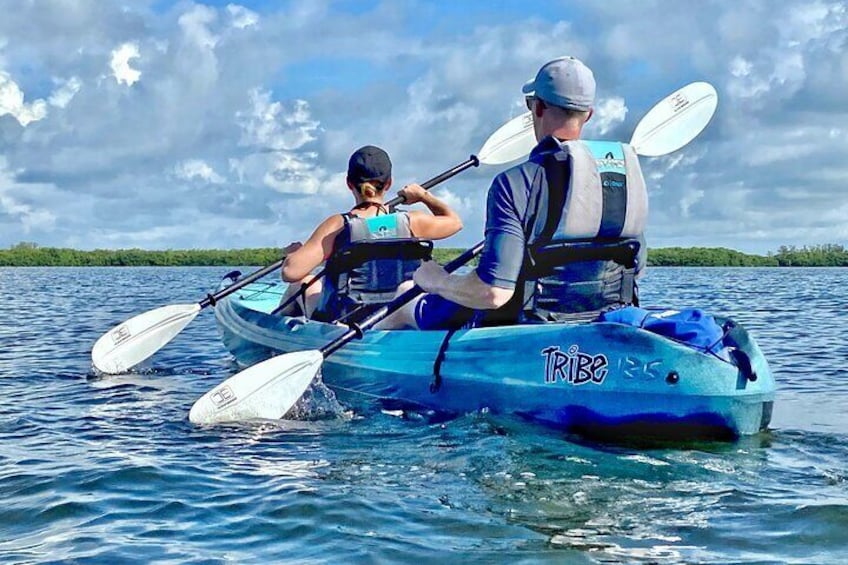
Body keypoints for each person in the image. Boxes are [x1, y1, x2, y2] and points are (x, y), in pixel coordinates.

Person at [378, 56, 648, 330]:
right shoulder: (622, 179)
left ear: (538, 107)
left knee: (405, 293)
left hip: (522, 327)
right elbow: (636, 269)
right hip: (601, 317)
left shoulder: (515, 183)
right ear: (588, 114)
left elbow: (494, 293)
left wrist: (437, 281)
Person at [277, 145, 462, 321]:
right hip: (396, 310)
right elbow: (455, 223)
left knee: (301, 284)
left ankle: (274, 335)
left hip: (343, 319)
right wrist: (424, 196)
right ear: (388, 183)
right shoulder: (413, 222)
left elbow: (291, 272)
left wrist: (294, 255)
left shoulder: (338, 225)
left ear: (349, 183)